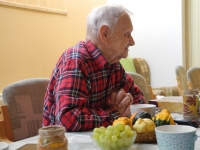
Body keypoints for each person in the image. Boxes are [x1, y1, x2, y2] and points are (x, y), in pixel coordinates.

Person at [42, 4, 145, 132]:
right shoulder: (76, 60)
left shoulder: (114, 64)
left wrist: (127, 103)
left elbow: (140, 98)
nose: (132, 41)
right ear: (105, 34)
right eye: (127, 34)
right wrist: (115, 113)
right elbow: (67, 119)